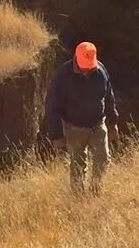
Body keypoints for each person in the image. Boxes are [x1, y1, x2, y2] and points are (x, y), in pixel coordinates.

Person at [45, 40, 118, 193]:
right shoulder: (62, 76)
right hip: (74, 128)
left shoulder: (100, 70)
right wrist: (57, 135)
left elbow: (109, 96)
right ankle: (78, 196)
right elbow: (52, 106)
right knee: (78, 164)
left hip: (98, 124)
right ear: (76, 58)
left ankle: (96, 191)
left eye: (90, 64)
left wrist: (113, 122)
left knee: (103, 159)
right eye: (84, 64)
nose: (87, 69)